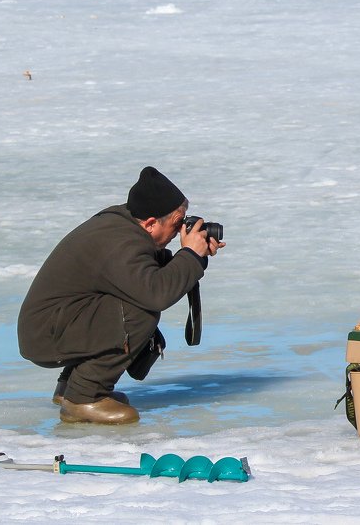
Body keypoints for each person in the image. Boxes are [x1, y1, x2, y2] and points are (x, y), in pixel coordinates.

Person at [18, 167, 225, 424]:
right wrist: (190, 256)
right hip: (46, 336)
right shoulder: (122, 243)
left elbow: (148, 272)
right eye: (176, 224)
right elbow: (157, 293)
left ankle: (69, 388)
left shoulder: (124, 226)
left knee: (132, 301)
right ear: (150, 223)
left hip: (53, 326)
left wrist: (195, 258)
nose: (178, 232)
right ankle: (84, 397)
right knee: (140, 311)